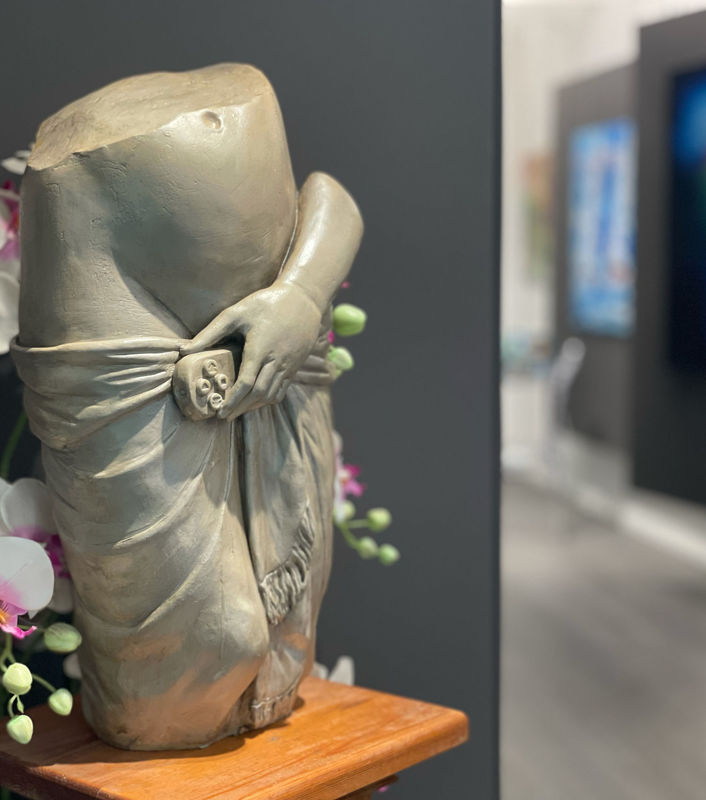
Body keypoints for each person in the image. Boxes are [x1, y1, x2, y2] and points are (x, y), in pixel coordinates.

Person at [12, 64, 363, 750]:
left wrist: (300, 293)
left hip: (280, 311)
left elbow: (329, 197)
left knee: (289, 623)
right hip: (107, 285)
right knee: (209, 648)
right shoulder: (78, 180)